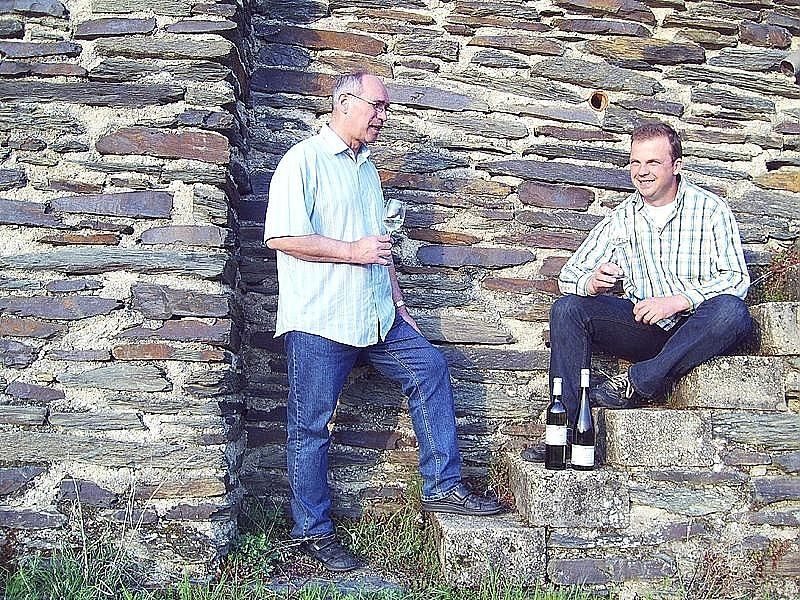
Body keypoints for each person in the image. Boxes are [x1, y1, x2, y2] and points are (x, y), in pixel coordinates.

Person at [264, 71, 501, 572]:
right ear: (345, 104)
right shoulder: (302, 162)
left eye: (386, 108)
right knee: (311, 426)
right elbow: (282, 237)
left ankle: (443, 488)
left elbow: (381, 246)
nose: (383, 116)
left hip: (376, 316)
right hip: (321, 320)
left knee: (431, 369)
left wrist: (400, 304)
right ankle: (312, 534)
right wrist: (351, 251)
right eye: (376, 106)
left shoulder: (368, 170)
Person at [523, 121, 752, 461]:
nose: (642, 172)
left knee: (732, 311)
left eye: (652, 163)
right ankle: (564, 435)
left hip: (697, 326)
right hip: (645, 329)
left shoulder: (710, 210)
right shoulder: (623, 217)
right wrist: (592, 281)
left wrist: (678, 300)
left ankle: (638, 381)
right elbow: (570, 274)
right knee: (568, 308)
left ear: (676, 165)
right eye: (635, 163)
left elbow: (736, 279)